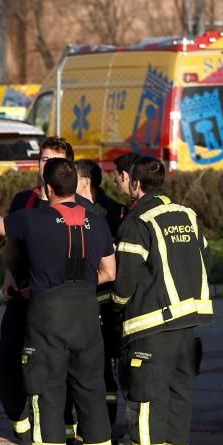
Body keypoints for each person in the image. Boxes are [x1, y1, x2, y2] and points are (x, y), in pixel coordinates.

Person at [4, 158, 116, 445]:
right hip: (85, 313)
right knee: (91, 393)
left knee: (47, 393)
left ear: (47, 188)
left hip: (48, 317)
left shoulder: (32, 220)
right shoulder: (95, 222)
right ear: (76, 186)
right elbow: (110, 272)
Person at [111, 156, 213, 445]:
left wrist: (116, 305)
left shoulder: (137, 221)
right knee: (178, 391)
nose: (118, 182)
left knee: (145, 393)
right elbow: (205, 259)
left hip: (151, 323)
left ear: (136, 184)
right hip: (188, 320)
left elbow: (126, 278)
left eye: (121, 178)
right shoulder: (187, 215)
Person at [0, 137, 74, 445]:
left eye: (53, 159)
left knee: (53, 379)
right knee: (8, 376)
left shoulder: (76, 207)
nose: (44, 163)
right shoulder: (25, 199)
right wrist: (8, 273)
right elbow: (12, 241)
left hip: (53, 306)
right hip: (19, 301)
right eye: (42, 158)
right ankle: (25, 443)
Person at [76, 159, 129, 428]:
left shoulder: (114, 213)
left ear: (85, 181)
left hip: (105, 301)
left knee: (105, 368)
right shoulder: (70, 209)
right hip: (83, 300)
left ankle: (105, 427)